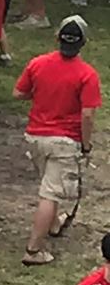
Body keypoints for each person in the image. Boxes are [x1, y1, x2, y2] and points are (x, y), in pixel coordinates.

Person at [17, 17, 101, 266]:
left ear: (58, 38)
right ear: (83, 43)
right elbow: (87, 114)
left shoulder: (37, 63)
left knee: (47, 184)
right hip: (64, 141)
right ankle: (34, 250)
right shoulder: (87, 75)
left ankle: (53, 224)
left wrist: (41, 92)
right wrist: (86, 145)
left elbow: (19, 92)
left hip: (35, 136)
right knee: (51, 194)